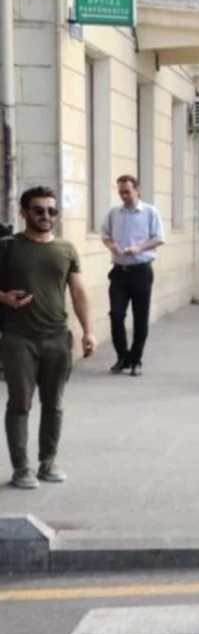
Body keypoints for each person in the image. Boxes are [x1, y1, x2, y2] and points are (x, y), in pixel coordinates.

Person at [0, 187, 96, 489]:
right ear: (24, 212)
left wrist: (88, 331)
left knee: (54, 403)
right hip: (18, 338)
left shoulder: (66, 249)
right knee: (20, 403)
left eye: (51, 211)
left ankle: (47, 461)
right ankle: (21, 467)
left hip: (57, 337)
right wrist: (3, 297)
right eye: (39, 210)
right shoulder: (8, 246)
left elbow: (79, 293)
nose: (46, 216)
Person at [100, 175, 164, 377]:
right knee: (116, 315)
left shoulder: (150, 212)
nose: (124, 196)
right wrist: (112, 246)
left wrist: (139, 248)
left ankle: (136, 360)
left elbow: (159, 238)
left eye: (127, 191)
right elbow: (105, 234)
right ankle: (122, 356)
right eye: (121, 192)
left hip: (141, 270)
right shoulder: (114, 213)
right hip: (119, 271)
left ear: (138, 190)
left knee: (140, 317)